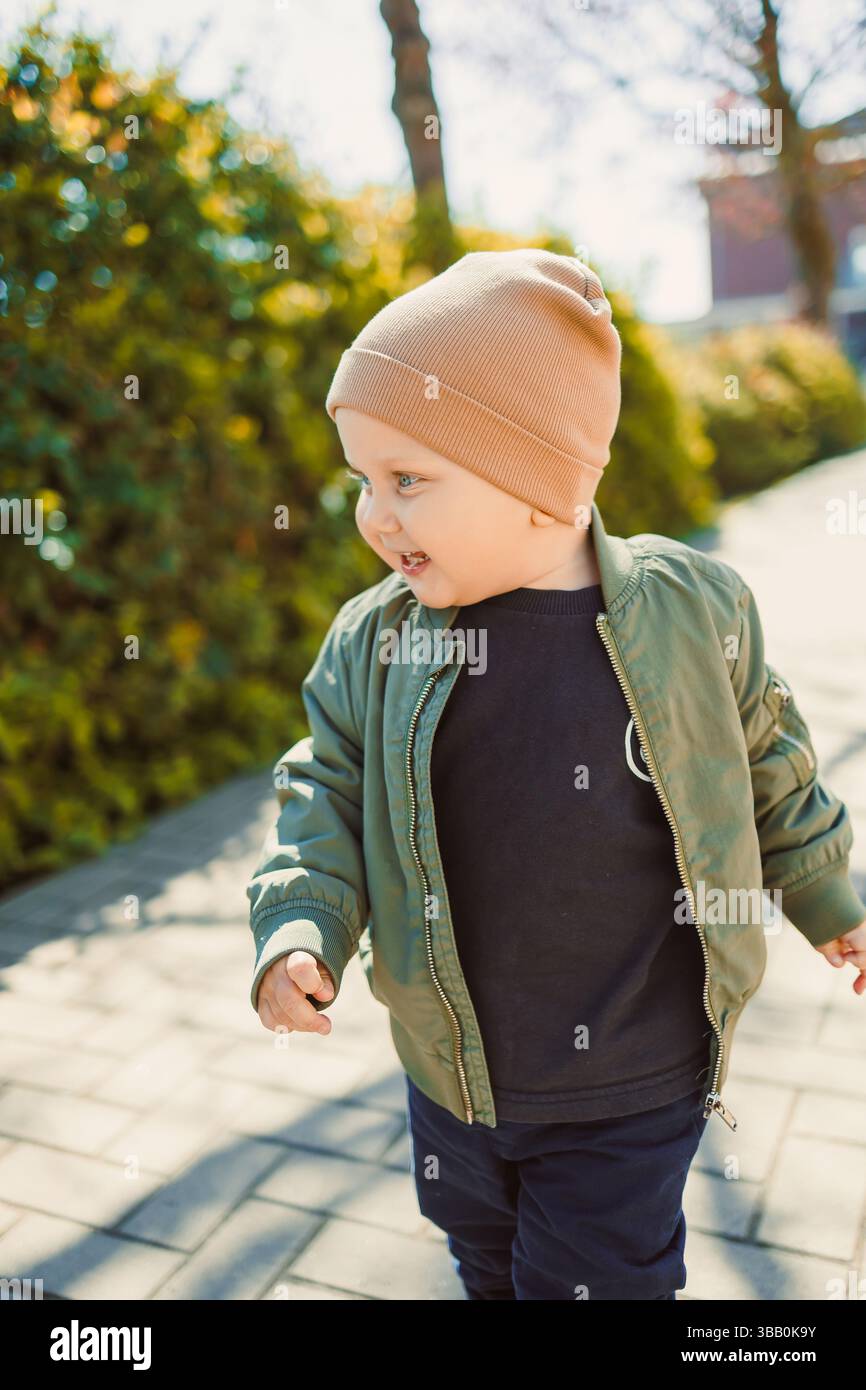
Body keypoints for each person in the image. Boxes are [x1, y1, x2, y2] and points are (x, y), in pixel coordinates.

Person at [246, 248, 866, 1300]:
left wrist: (822, 896)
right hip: (452, 1083)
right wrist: (297, 923)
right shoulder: (376, 641)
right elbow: (327, 789)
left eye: (407, 479)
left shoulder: (688, 611)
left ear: (536, 483)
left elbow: (764, 755)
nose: (373, 515)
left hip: (628, 1083)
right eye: (362, 479)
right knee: (486, 1264)